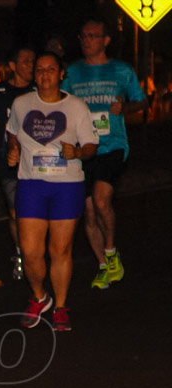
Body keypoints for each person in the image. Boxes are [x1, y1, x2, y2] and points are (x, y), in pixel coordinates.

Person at [7, 51, 98, 331]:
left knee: (60, 249)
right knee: (31, 251)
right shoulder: (22, 104)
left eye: (50, 69)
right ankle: (39, 296)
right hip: (31, 183)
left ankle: (60, 306)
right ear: (34, 75)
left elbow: (92, 146)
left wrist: (78, 152)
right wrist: (14, 149)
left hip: (66, 185)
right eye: (39, 70)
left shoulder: (77, 107)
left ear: (61, 73)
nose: (44, 75)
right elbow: (13, 132)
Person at [62, 19, 146, 290]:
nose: (87, 40)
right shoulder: (72, 73)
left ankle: (110, 252)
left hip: (112, 145)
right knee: (88, 212)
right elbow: (60, 105)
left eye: (93, 36)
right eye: (83, 36)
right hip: (83, 149)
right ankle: (103, 265)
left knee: (101, 201)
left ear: (106, 40)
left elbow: (141, 101)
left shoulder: (121, 70)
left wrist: (126, 109)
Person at [0, 46, 36, 279]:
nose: (30, 66)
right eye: (25, 62)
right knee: (15, 212)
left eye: (32, 61)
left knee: (35, 212)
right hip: (8, 159)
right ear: (12, 66)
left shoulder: (39, 90)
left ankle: (37, 252)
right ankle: (22, 254)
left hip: (37, 160)